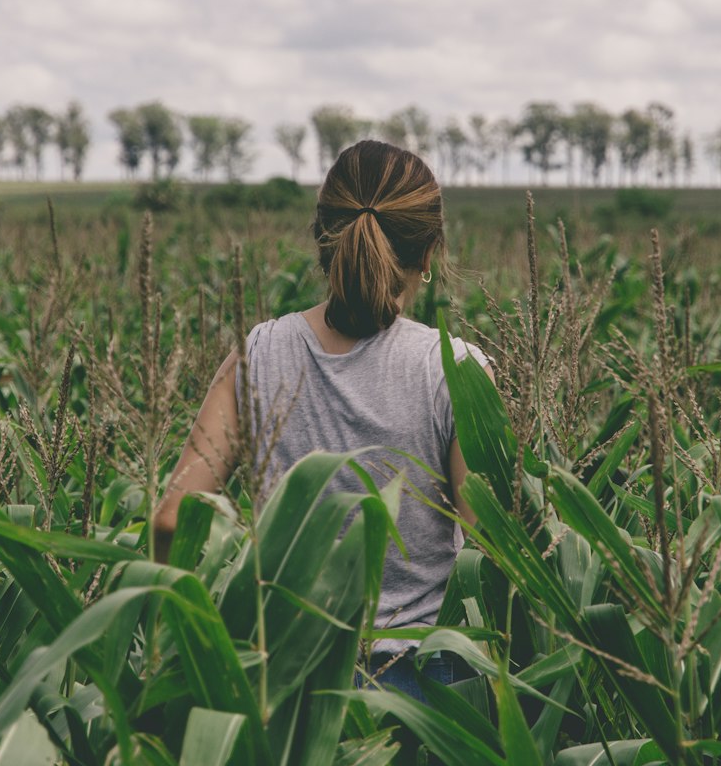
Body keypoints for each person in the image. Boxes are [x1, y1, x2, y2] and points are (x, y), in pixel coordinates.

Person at [152, 138, 490, 683]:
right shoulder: (456, 370)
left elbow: (171, 519)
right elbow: (489, 553)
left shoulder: (257, 353)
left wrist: (181, 647)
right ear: (429, 254)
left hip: (284, 680)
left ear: (321, 238)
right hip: (426, 687)